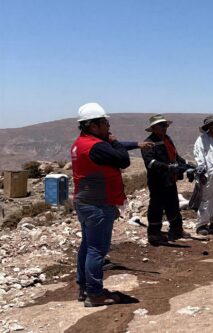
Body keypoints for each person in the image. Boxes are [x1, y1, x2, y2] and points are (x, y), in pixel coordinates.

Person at [71, 102, 132, 307]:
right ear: (93, 126)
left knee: (87, 246)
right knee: (97, 249)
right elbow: (123, 160)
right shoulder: (97, 146)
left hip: (85, 202)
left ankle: (84, 287)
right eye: (105, 123)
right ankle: (95, 293)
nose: (108, 127)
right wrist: (114, 142)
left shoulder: (80, 143)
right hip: (98, 204)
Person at [141, 114, 193, 245]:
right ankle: (154, 233)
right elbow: (150, 163)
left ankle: (176, 229)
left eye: (165, 125)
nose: (165, 128)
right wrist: (168, 167)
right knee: (156, 206)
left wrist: (187, 165)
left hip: (169, 179)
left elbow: (175, 156)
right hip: (157, 181)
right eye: (162, 125)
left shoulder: (167, 139)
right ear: (153, 128)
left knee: (173, 204)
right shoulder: (148, 143)